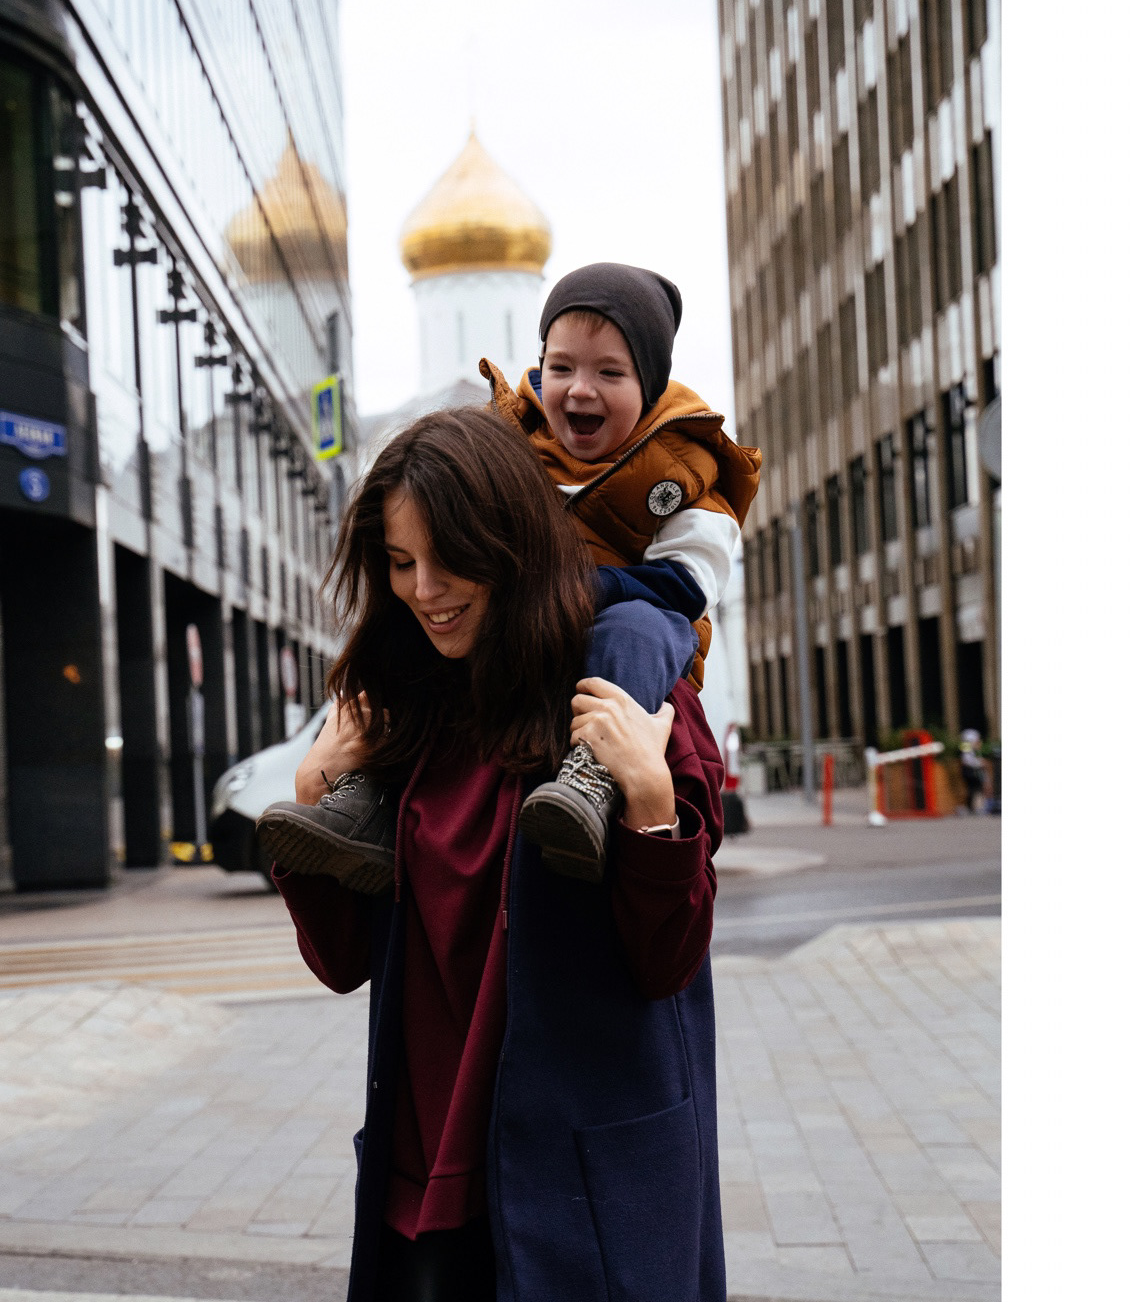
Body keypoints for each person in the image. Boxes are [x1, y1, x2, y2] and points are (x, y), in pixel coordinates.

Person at [263, 407, 745, 1302]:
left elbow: (668, 960)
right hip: (424, 1191)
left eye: (450, 561)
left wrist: (651, 805)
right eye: (400, 564)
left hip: (582, 1199)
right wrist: (316, 789)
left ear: (512, 544)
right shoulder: (408, 713)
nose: (425, 590)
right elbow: (343, 962)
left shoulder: (622, 699)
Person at [258, 262, 761, 891]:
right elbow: (353, 950)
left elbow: (687, 585)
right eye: (561, 368)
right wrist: (317, 784)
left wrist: (652, 811)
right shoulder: (512, 441)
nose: (580, 390)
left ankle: (592, 777)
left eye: (611, 373)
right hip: (525, 626)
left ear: (651, 385)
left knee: (635, 628)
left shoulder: (687, 471)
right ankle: (364, 804)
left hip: (635, 646)